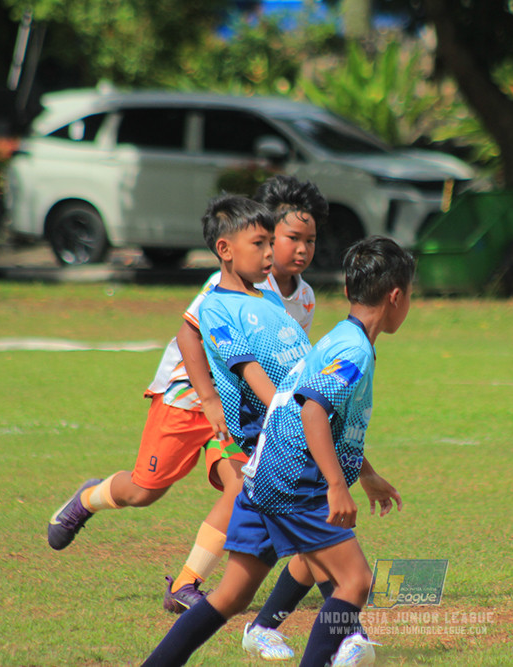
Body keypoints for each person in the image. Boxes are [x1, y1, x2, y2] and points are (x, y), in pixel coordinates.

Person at [46, 178, 328, 660]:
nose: (295, 250)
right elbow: (190, 335)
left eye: (308, 240)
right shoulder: (224, 290)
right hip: (188, 397)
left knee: (244, 486)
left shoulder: (300, 300)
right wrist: (209, 399)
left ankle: (187, 583)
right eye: (281, 239)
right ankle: (88, 497)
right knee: (143, 491)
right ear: (251, 240)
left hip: (240, 411)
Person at [141, 235, 414, 667]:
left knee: (231, 595)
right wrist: (337, 486)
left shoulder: (341, 337)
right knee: (355, 582)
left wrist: (367, 473)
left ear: (347, 291)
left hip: (263, 470)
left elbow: (315, 411)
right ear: (397, 297)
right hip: (294, 477)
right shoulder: (354, 351)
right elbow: (313, 413)